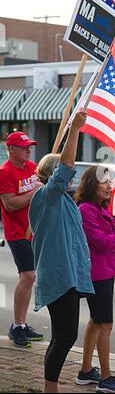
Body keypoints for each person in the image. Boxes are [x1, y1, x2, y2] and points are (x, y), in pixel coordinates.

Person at [28, 111, 94, 393]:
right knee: (65, 337)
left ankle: (49, 388)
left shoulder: (61, 200)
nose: (70, 176)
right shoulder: (47, 195)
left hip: (70, 276)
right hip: (58, 277)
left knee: (61, 336)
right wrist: (75, 129)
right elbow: (65, 167)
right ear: (53, 175)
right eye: (64, 173)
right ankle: (50, 388)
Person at [74, 165, 115, 393]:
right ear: (92, 185)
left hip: (104, 272)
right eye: (105, 182)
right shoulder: (85, 210)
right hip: (97, 274)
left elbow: (113, 229)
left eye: (110, 182)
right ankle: (105, 378)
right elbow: (103, 242)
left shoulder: (96, 207)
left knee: (95, 320)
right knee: (105, 324)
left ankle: (85, 371)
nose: (110, 186)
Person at [0, 131, 44, 348]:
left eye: (30, 146)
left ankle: (22, 324)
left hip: (33, 230)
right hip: (17, 232)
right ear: (11, 149)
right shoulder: (4, 173)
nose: (29, 150)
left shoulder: (31, 167)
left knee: (30, 278)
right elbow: (10, 204)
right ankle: (17, 326)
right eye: (24, 147)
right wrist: (34, 192)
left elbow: (39, 192)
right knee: (28, 276)